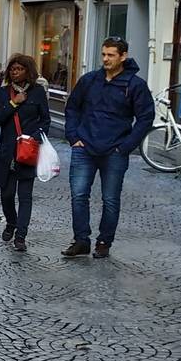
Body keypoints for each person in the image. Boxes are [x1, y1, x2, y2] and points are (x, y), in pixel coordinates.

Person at [62, 35, 154, 260]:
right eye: (103, 54)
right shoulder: (90, 80)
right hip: (84, 147)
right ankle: (81, 240)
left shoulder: (135, 85)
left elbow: (145, 118)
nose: (106, 58)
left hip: (114, 151)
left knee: (110, 199)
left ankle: (104, 241)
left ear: (123, 56)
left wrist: (126, 147)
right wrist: (73, 136)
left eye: (111, 55)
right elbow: (72, 108)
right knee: (78, 195)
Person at [0, 54, 49, 253]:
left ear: (28, 72)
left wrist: (35, 137)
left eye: (19, 69)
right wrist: (14, 103)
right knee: (6, 195)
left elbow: (45, 120)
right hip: (7, 153)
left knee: (25, 196)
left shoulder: (38, 92)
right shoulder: (3, 93)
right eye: (12, 69)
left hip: (28, 151)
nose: (15, 72)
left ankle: (21, 236)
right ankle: (11, 223)